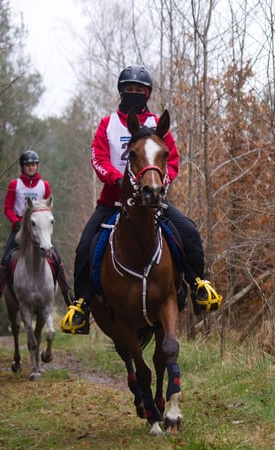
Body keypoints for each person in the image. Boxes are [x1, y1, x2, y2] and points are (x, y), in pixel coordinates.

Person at [60, 65, 222, 335]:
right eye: (129, 90)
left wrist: (161, 183)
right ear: (121, 92)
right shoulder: (107, 124)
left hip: (153, 200)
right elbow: (98, 158)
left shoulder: (158, 124)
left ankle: (198, 285)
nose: (134, 94)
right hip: (113, 203)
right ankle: (81, 305)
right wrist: (117, 180)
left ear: (147, 94)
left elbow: (172, 161)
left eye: (139, 90)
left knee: (189, 231)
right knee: (84, 247)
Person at [0, 150, 73, 310]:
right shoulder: (14, 185)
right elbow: (8, 208)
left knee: (56, 258)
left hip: (39, 230)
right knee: (5, 259)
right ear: (22, 167)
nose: (31, 168)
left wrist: (44, 224)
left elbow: (47, 208)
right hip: (19, 229)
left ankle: (68, 293)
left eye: (33, 165)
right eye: (28, 165)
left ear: (37, 166)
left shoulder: (44, 185)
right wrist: (15, 222)